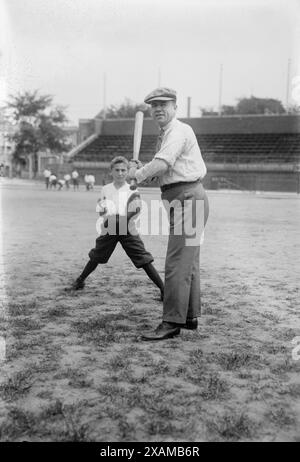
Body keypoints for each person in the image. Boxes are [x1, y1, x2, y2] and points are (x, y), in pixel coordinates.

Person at [129, 87, 209, 341]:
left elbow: (163, 164)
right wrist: (142, 170)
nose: (158, 109)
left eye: (164, 104)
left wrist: (137, 175)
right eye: (154, 105)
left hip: (188, 198)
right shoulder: (167, 134)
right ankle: (188, 316)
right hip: (182, 198)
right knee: (189, 261)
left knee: (177, 262)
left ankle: (171, 321)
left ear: (176, 107)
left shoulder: (178, 130)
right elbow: (162, 171)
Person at [66, 156, 164, 301]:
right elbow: (101, 208)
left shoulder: (132, 188)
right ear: (111, 171)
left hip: (127, 228)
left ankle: (163, 288)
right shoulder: (105, 189)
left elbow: (137, 209)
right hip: (110, 227)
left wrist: (124, 218)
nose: (120, 173)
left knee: (143, 259)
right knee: (96, 256)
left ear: (127, 172)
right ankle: (80, 281)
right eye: (117, 170)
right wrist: (105, 214)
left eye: (123, 170)